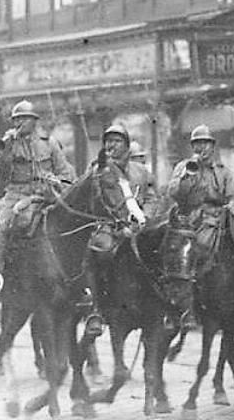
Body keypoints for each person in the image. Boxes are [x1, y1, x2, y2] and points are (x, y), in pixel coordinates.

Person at [0, 100, 76, 296]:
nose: (20, 122)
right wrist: (6, 149)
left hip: (46, 195)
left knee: (72, 224)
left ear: (34, 121)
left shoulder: (49, 143)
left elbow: (67, 175)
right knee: (1, 227)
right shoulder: (8, 144)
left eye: (24, 118)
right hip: (16, 194)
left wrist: (56, 181)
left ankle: (78, 281)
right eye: (16, 119)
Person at [82, 125, 156, 336]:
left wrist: (145, 218)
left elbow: (152, 198)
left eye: (116, 141)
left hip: (138, 225)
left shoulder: (140, 171)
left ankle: (163, 305)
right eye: (108, 141)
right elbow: (92, 198)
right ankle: (96, 307)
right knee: (101, 250)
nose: (111, 145)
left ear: (126, 145)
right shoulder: (98, 168)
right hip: (108, 225)